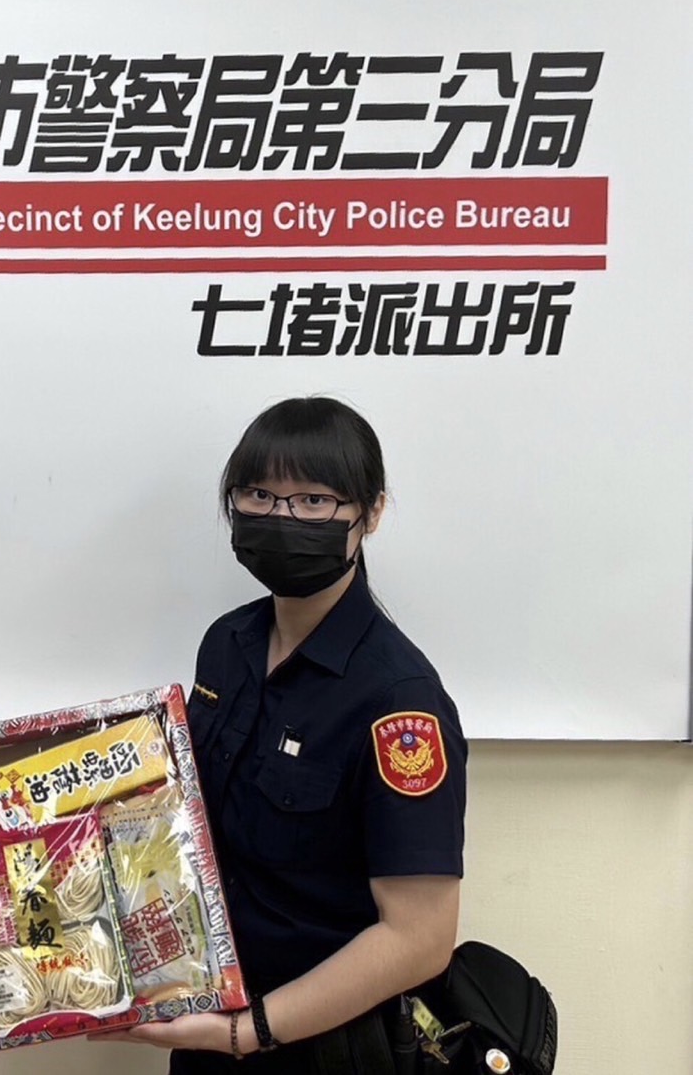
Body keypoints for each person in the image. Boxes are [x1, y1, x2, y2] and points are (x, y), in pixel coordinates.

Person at [102, 396, 467, 1073]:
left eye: (314, 501)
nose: (281, 518)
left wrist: (248, 1033)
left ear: (371, 513)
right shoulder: (227, 643)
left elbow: (419, 940)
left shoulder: (399, 703)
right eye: (259, 496)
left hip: (321, 1046)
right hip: (205, 1024)